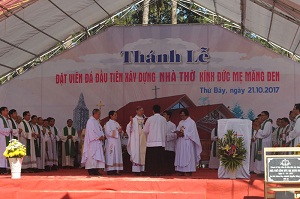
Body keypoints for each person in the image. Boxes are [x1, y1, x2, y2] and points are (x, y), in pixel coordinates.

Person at [174, 109, 202, 176]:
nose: (182, 117)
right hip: (181, 142)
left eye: (183, 115)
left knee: (187, 156)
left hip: (188, 142)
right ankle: (180, 170)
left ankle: (188, 170)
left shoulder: (191, 122)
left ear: (186, 115)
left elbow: (193, 133)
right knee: (180, 155)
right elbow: (178, 129)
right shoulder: (181, 122)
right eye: (181, 116)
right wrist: (177, 133)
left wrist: (184, 134)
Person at [143, 105, 167, 176]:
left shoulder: (150, 119)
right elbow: (165, 130)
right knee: (160, 158)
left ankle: (152, 172)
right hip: (161, 142)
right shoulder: (163, 119)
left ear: (153, 111)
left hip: (152, 142)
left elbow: (145, 130)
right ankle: (160, 172)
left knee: (152, 159)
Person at [81, 109, 105, 176]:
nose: (99, 115)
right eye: (98, 114)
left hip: (97, 142)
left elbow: (100, 130)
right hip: (92, 142)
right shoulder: (90, 121)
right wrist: (98, 137)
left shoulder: (96, 122)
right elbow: (91, 132)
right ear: (95, 113)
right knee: (92, 156)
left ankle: (96, 170)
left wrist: (102, 135)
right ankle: (91, 170)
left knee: (97, 156)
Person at [126, 106, 147, 175]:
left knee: (144, 153)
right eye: (140, 110)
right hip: (136, 140)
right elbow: (128, 129)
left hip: (144, 139)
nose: (142, 112)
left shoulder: (145, 119)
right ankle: (137, 170)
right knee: (137, 153)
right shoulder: (134, 119)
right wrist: (131, 124)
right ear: (137, 111)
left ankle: (143, 169)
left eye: (142, 110)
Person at [104, 111, 123, 175]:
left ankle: (116, 169)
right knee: (111, 155)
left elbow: (121, 131)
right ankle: (110, 170)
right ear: (111, 116)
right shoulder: (108, 124)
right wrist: (118, 131)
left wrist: (121, 132)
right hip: (111, 142)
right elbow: (108, 132)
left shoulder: (117, 123)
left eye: (116, 115)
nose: (116, 116)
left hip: (117, 142)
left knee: (116, 155)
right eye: (115, 115)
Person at [162, 110, 177, 175]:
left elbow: (175, 135)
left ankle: (170, 171)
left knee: (170, 158)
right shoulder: (161, 124)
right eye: (163, 115)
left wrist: (167, 136)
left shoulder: (172, 125)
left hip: (170, 145)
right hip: (163, 144)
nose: (163, 116)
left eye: (164, 114)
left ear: (168, 116)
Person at [0, 107, 12, 174]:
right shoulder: (0, 119)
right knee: (2, 154)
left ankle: (5, 168)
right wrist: (9, 129)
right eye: (6, 110)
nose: (8, 112)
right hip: (2, 139)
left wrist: (9, 129)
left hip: (5, 138)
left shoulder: (5, 119)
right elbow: (1, 129)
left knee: (5, 153)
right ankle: (1, 169)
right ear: (2, 111)